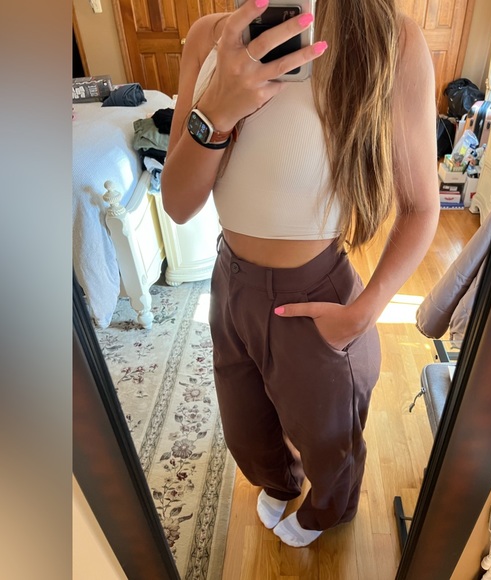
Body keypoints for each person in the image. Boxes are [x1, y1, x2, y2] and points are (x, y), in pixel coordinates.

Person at [161, 0, 440, 548]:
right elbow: (176, 202)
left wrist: (363, 313)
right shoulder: (206, 37)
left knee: (329, 442)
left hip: (313, 294)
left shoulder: (391, 39)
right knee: (246, 432)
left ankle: (328, 511)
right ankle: (280, 481)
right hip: (229, 284)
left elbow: (421, 208)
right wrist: (217, 111)